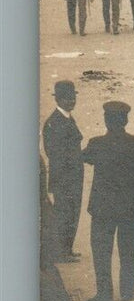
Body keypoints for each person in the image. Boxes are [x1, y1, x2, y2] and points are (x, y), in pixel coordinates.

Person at [82, 101, 134, 301]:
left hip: (102, 207)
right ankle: (127, 291)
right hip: (129, 207)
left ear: (106, 121)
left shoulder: (96, 144)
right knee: (129, 250)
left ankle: (104, 295)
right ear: (126, 121)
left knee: (101, 251)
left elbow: (83, 158)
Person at [42, 80, 84, 263]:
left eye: (73, 97)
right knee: (64, 213)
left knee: (72, 213)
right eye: (68, 98)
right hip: (64, 178)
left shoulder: (66, 118)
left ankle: (67, 249)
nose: (72, 101)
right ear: (58, 100)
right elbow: (54, 154)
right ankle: (62, 252)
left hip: (73, 176)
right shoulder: (54, 122)